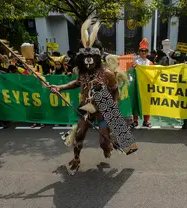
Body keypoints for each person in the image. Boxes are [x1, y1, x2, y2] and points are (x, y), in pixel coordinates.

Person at [48, 19, 138, 175]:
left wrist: (113, 106)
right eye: (85, 57)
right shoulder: (82, 73)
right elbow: (76, 83)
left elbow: (115, 91)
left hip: (104, 106)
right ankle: (76, 157)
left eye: (91, 57)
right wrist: (60, 87)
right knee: (79, 134)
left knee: (104, 143)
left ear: (97, 58)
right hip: (86, 106)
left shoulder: (108, 74)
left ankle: (108, 146)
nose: (88, 61)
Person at [131, 38, 152, 128]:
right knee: (136, 102)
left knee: (147, 103)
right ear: (139, 52)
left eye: (145, 51)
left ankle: (146, 121)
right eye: (141, 51)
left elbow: (153, 75)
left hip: (147, 87)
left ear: (147, 52)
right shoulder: (135, 63)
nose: (143, 52)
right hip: (137, 86)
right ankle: (135, 120)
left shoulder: (150, 63)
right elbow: (131, 74)